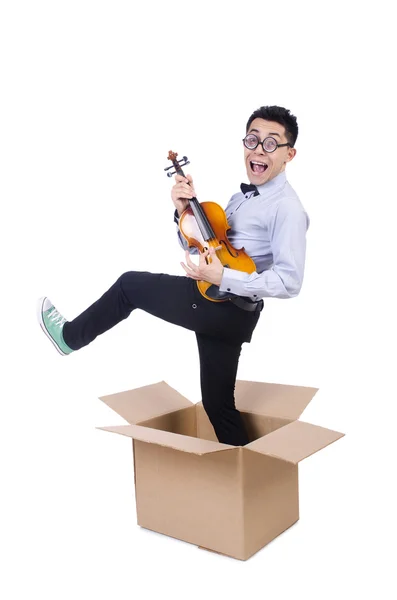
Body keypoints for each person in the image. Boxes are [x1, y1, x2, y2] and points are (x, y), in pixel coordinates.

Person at [37, 105, 309, 447]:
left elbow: (290, 281)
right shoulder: (240, 198)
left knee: (129, 285)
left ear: (289, 154)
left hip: (217, 303)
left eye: (271, 144)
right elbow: (203, 245)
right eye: (252, 140)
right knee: (218, 405)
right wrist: (184, 211)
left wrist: (222, 276)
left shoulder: (288, 209)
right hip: (231, 314)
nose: (258, 149)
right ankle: (248, 484)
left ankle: (70, 337)